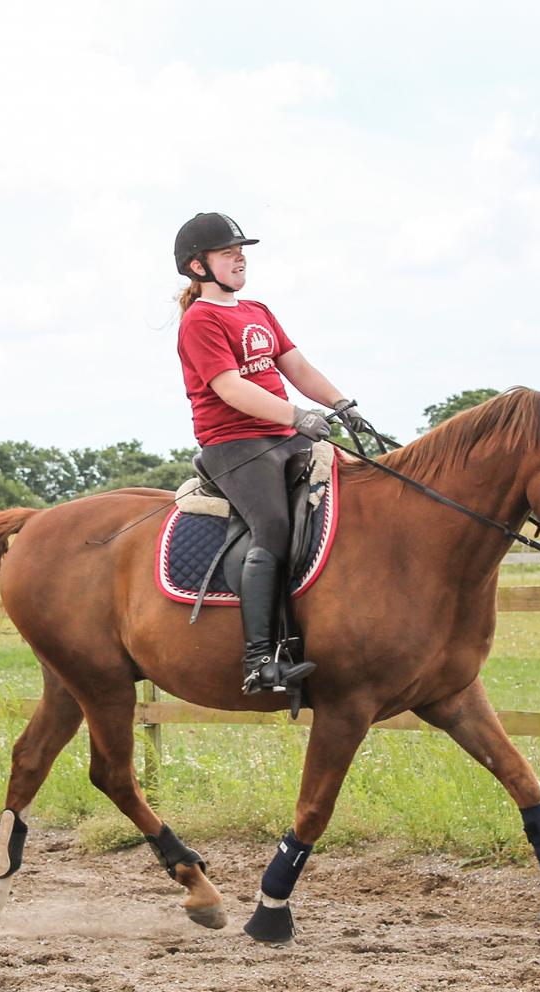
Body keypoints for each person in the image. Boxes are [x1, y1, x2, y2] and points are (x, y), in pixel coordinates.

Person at [174, 211, 369, 695]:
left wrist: (341, 403)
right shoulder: (200, 320)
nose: (240, 257)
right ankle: (261, 659)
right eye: (227, 252)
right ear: (199, 267)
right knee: (274, 527)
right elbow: (230, 388)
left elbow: (296, 366)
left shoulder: (257, 312)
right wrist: (296, 415)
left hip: (285, 436)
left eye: (241, 250)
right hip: (234, 444)